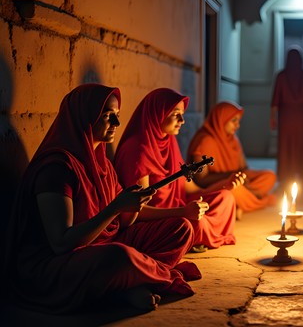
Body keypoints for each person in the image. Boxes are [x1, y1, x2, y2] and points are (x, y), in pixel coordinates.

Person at [2, 84, 202, 314]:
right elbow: (61, 243)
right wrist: (115, 209)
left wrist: (140, 205)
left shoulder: (102, 163)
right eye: (107, 117)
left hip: (104, 244)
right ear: (84, 118)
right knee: (119, 256)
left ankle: (129, 281)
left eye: (117, 116)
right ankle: (128, 283)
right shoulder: (57, 168)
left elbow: (124, 221)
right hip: (58, 264)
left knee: (181, 229)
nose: (116, 124)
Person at [114, 88, 237, 252]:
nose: (182, 120)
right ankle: (196, 235)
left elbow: (191, 188)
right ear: (158, 114)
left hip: (179, 209)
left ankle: (198, 235)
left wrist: (224, 185)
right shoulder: (137, 150)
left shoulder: (169, 141)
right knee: (193, 223)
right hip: (157, 219)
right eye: (175, 114)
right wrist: (183, 212)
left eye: (182, 114)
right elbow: (137, 209)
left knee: (226, 198)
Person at [187, 101, 276, 219]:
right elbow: (201, 180)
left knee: (269, 176)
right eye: (234, 121)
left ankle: (241, 203)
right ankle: (260, 201)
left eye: (238, 121)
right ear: (221, 120)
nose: (237, 125)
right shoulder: (204, 141)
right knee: (233, 189)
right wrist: (231, 177)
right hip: (217, 185)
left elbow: (244, 168)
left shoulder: (233, 139)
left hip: (235, 179)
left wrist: (244, 181)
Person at [270, 45, 303, 191]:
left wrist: (272, 118)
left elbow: (275, 101)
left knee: (286, 147)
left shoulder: (281, 76)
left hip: (286, 118)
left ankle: (286, 177)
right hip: (302, 118)